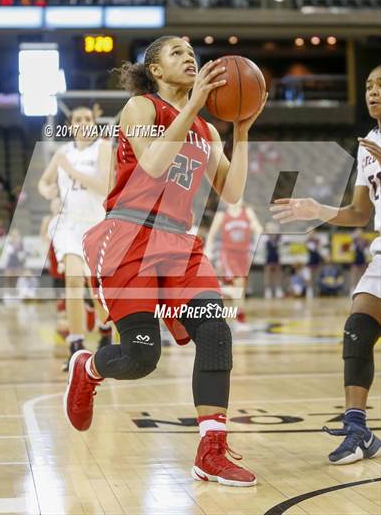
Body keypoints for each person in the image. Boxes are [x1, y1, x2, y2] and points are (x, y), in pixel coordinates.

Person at [64, 36, 267, 486]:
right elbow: (153, 165)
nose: (189, 55)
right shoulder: (142, 108)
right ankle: (90, 367)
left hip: (179, 244)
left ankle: (211, 450)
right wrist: (194, 106)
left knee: (215, 330)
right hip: (128, 236)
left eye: (192, 51)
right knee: (141, 356)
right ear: (154, 70)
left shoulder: (208, 131)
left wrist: (241, 130)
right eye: (176, 52)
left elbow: (231, 193)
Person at [271, 64, 381, 464]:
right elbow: (358, 213)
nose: (373, 92)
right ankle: (358, 429)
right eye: (369, 85)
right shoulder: (368, 142)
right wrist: (317, 209)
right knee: (357, 328)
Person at [38, 106, 114, 371]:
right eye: (78, 119)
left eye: (88, 118)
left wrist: (70, 171)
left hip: (96, 224)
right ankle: (76, 345)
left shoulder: (102, 148)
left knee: (96, 288)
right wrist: (51, 193)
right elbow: (43, 183)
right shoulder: (62, 152)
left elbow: (103, 186)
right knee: (72, 280)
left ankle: (105, 333)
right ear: (70, 125)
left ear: (94, 123)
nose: (83, 122)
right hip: (69, 224)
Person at [204, 199, 262, 323]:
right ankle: (240, 314)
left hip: (244, 254)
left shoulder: (247, 211)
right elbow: (211, 234)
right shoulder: (222, 214)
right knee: (239, 282)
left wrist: (256, 228)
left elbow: (257, 226)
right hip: (228, 253)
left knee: (240, 285)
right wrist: (208, 250)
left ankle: (235, 307)